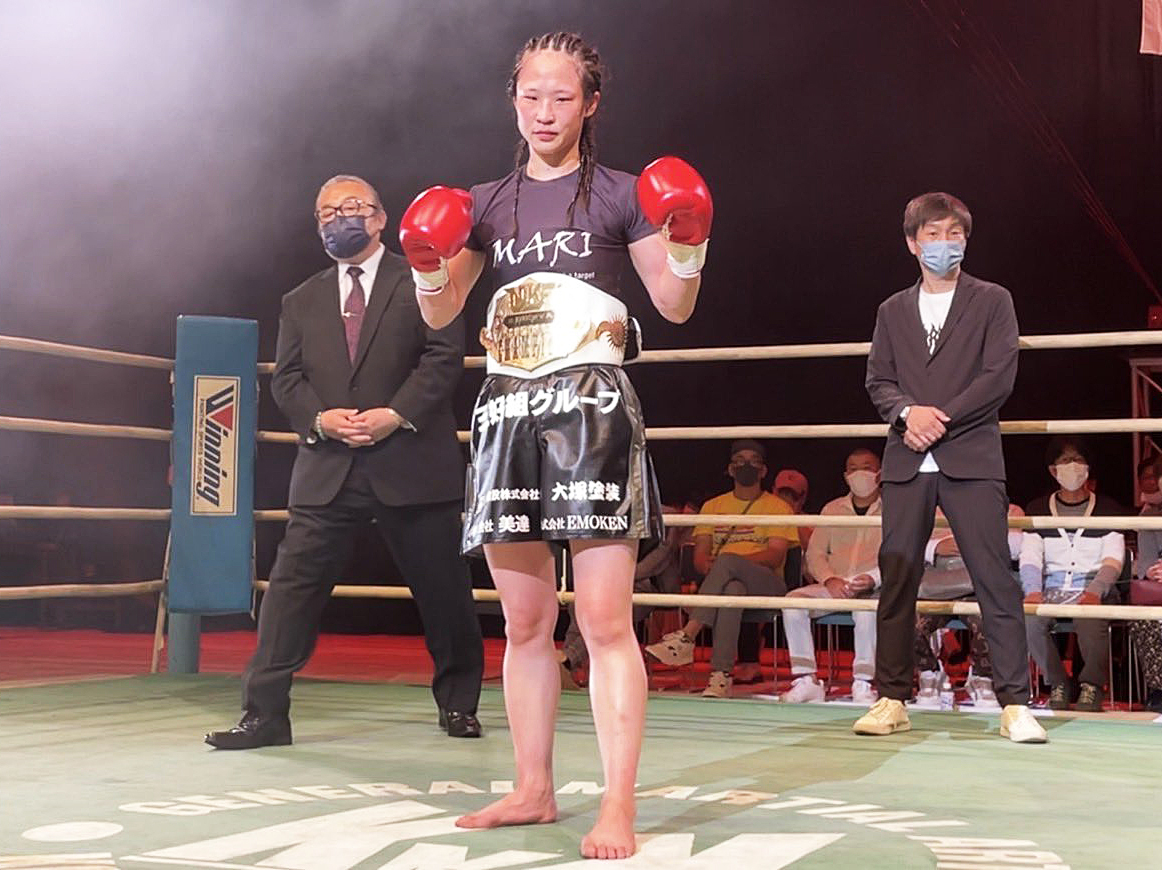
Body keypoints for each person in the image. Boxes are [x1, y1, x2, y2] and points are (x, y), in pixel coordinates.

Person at [397, 32, 711, 859]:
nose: (545, 111)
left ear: (590, 104)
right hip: (508, 407)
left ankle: (617, 804)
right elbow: (440, 313)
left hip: (591, 407)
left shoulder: (622, 194)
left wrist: (690, 237)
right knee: (526, 620)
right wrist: (428, 261)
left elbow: (673, 304)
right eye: (531, 95)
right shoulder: (482, 203)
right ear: (513, 100)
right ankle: (532, 788)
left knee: (605, 620)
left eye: (562, 97)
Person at [205, 174, 485, 749]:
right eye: (327, 212)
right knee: (289, 593)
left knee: (443, 592)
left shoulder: (425, 280)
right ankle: (264, 715)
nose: (339, 218)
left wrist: (395, 414)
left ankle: (459, 706)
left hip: (411, 461)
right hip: (327, 467)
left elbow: (443, 357)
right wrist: (320, 418)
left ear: (381, 218)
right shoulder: (300, 299)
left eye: (352, 207)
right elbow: (286, 379)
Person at [855, 191, 1046, 742]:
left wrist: (939, 419)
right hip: (907, 457)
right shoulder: (891, 310)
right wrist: (906, 414)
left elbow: (998, 376)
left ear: (966, 239)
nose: (945, 244)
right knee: (897, 578)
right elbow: (878, 380)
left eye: (954, 234)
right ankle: (892, 697)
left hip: (971, 454)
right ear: (913, 244)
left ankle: (1014, 704)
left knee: (994, 577)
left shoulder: (993, 300)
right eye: (933, 235)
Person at [644, 440, 797, 699]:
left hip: (768, 583)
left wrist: (731, 562)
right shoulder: (712, 507)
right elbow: (700, 558)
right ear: (730, 469)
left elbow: (774, 556)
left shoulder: (778, 507)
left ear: (763, 471)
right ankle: (721, 676)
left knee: (727, 561)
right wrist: (711, 564)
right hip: (727, 583)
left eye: (753, 461)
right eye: (739, 461)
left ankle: (687, 636)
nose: (746, 466)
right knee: (732, 591)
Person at [1021, 437, 1124, 712]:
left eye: (1078, 459)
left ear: (1088, 467)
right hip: (1050, 589)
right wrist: (1033, 591)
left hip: (1094, 587)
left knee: (1090, 620)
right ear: (1053, 470)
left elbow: (1114, 559)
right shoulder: (1037, 509)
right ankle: (1057, 682)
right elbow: (1030, 557)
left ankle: (1092, 685)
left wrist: (1095, 591)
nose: (1073, 466)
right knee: (1030, 620)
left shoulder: (1108, 509)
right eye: (1065, 460)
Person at [781, 447, 882, 704]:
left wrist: (873, 578)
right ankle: (807, 680)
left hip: (874, 588)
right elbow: (815, 554)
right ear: (845, 475)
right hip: (834, 585)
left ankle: (863, 683)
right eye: (853, 469)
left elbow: (899, 554)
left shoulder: (894, 508)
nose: (860, 474)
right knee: (792, 602)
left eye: (867, 468)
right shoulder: (832, 509)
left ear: (880, 473)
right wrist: (829, 579)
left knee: (866, 611)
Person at [557, 501, 691, 688]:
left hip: (648, 587)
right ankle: (566, 666)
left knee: (607, 612)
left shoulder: (667, 516)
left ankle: (567, 660)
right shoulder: (608, 508)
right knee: (581, 602)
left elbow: (659, 559)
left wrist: (619, 574)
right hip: (609, 582)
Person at [912, 502, 1024, 710]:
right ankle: (929, 673)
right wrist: (936, 547)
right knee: (908, 620)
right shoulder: (929, 510)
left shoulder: (1008, 509)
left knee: (989, 619)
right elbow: (910, 543)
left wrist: (970, 541)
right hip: (938, 586)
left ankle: (982, 677)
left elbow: (1017, 546)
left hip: (980, 586)